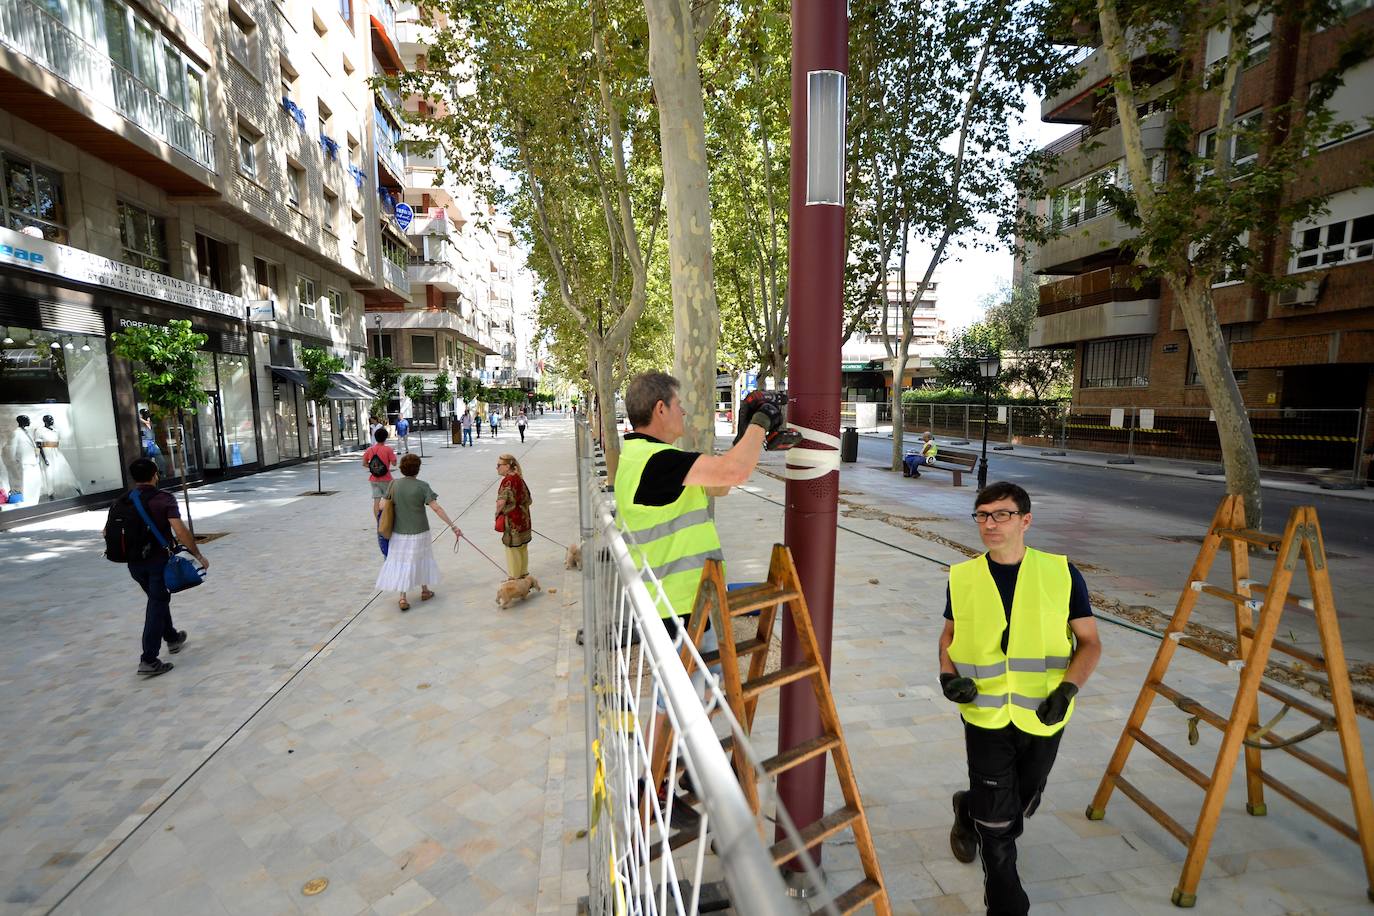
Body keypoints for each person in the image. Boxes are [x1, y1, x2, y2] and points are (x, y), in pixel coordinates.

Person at [614, 371, 786, 791]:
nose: (685, 413)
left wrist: (746, 436)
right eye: (680, 406)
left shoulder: (648, 459)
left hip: (688, 601)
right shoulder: (655, 462)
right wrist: (761, 424)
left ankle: (686, 765)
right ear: (660, 409)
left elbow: (721, 483)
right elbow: (733, 474)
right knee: (673, 697)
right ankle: (651, 782)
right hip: (675, 605)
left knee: (699, 690)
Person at [938, 481, 1101, 916]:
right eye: (983, 515)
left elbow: (1089, 643)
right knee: (999, 825)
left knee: (1022, 801)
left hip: (1044, 714)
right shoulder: (963, 576)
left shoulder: (1061, 574)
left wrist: (1068, 690)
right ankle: (1008, 903)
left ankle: (966, 804)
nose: (990, 524)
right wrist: (947, 676)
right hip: (985, 713)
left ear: (1025, 520)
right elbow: (950, 636)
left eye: (1002, 514)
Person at [110, 458, 209, 677]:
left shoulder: (122, 500)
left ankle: (172, 638)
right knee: (156, 604)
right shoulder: (163, 499)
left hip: (134, 564)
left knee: (158, 598)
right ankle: (149, 660)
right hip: (158, 562)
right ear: (156, 474)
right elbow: (180, 531)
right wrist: (198, 554)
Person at [375, 453, 459, 611]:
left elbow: (381, 506)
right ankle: (425, 590)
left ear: (401, 469)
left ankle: (402, 597)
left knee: (402, 561)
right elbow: (436, 508)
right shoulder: (422, 486)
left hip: (399, 532)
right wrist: (452, 526)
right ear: (418, 469)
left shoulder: (393, 484)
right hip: (420, 531)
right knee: (422, 558)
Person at [495, 453, 533, 579]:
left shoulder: (507, 481)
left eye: (499, 465)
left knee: (512, 550)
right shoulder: (519, 478)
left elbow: (501, 502)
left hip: (512, 521)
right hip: (524, 519)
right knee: (522, 547)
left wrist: (497, 513)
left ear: (507, 466)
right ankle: (523, 573)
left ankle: (514, 578)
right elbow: (529, 499)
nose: (497, 468)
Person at [362, 427, 398, 518]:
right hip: (387, 479)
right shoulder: (388, 449)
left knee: (376, 502)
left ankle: (379, 521)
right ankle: (389, 519)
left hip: (374, 479)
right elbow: (394, 463)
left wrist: (374, 468)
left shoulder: (370, 449)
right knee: (390, 499)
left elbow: (364, 463)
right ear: (385, 438)